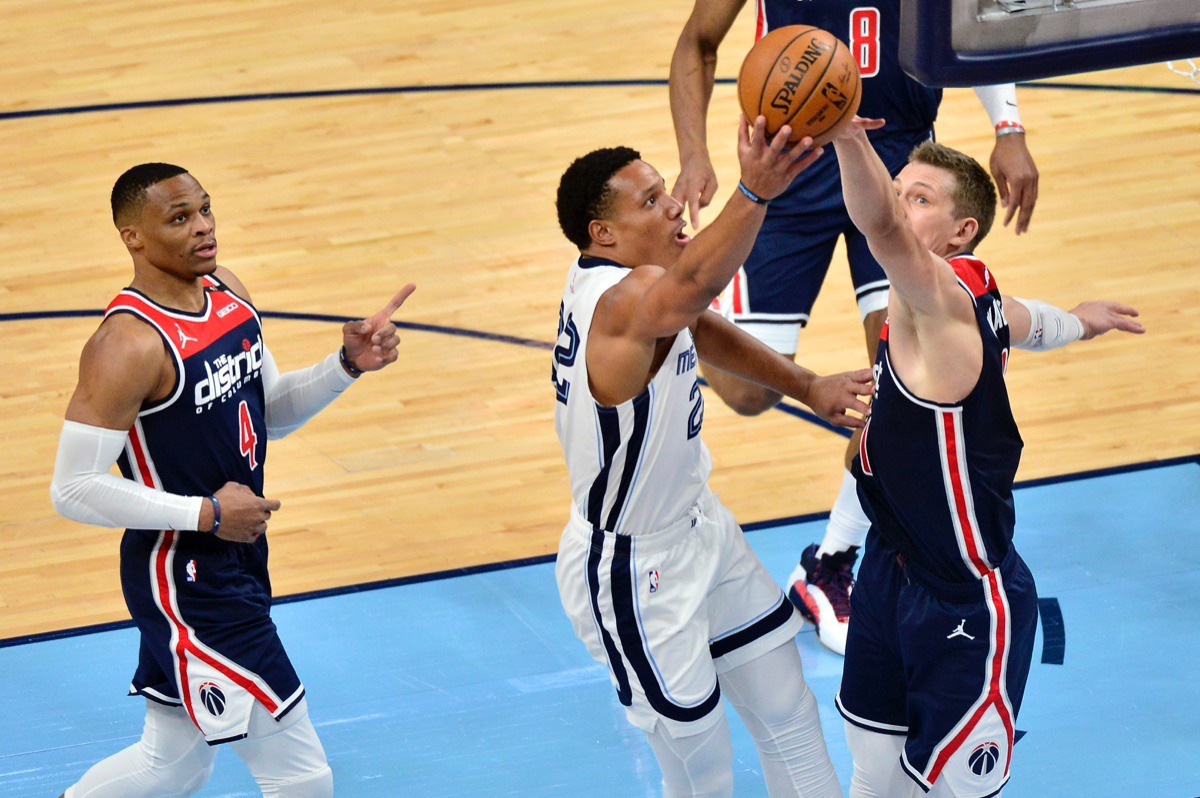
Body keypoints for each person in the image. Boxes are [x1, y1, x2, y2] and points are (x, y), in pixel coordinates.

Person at [670, 0, 1041, 655]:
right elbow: (698, 41)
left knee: (901, 381)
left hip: (897, 171)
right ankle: (688, 330)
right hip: (789, 167)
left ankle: (831, 561)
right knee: (749, 392)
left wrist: (1007, 125)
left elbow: (978, 21)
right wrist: (694, 154)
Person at [49, 162, 416, 798]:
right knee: (302, 777)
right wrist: (206, 515)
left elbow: (269, 411)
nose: (204, 228)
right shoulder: (127, 345)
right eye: (180, 218)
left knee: (172, 765)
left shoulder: (228, 293)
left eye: (206, 210)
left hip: (236, 558)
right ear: (132, 237)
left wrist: (345, 365)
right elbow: (72, 486)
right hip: (186, 578)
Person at [551, 118, 872, 798]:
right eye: (649, 201)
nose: (672, 206)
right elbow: (693, 289)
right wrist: (753, 193)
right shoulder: (618, 303)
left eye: (665, 191)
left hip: (700, 528)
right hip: (632, 570)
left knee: (790, 711)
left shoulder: (647, 293)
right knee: (704, 775)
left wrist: (806, 385)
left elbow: (699, 321)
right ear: (600, 234)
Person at [827, 120, 1143, 797]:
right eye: (901, 191)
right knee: (871, 770)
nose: (899, 204)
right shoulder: (970, 292)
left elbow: (878, 228)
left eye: (919, 198)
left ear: (960, 230)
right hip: (888, 567)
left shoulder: (938, 304)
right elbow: (1022, 319)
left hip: (964, 600)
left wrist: (845, 141)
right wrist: (1083, 320)